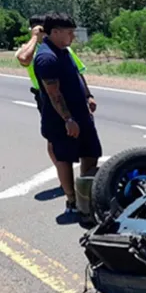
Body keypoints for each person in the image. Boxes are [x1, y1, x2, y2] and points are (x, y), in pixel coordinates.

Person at [33, 12, 102, 216]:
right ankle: (72, 201)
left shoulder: (64, 51)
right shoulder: (47, 57)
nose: (73, 36)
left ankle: (86, 197)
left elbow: (78, 74)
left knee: (91, 153)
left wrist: (88, 95)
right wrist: (68, 119)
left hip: (81, 114)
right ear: (55, 32)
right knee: (65, 159)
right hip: (61, 120)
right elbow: (54, 94)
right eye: (69, 32)